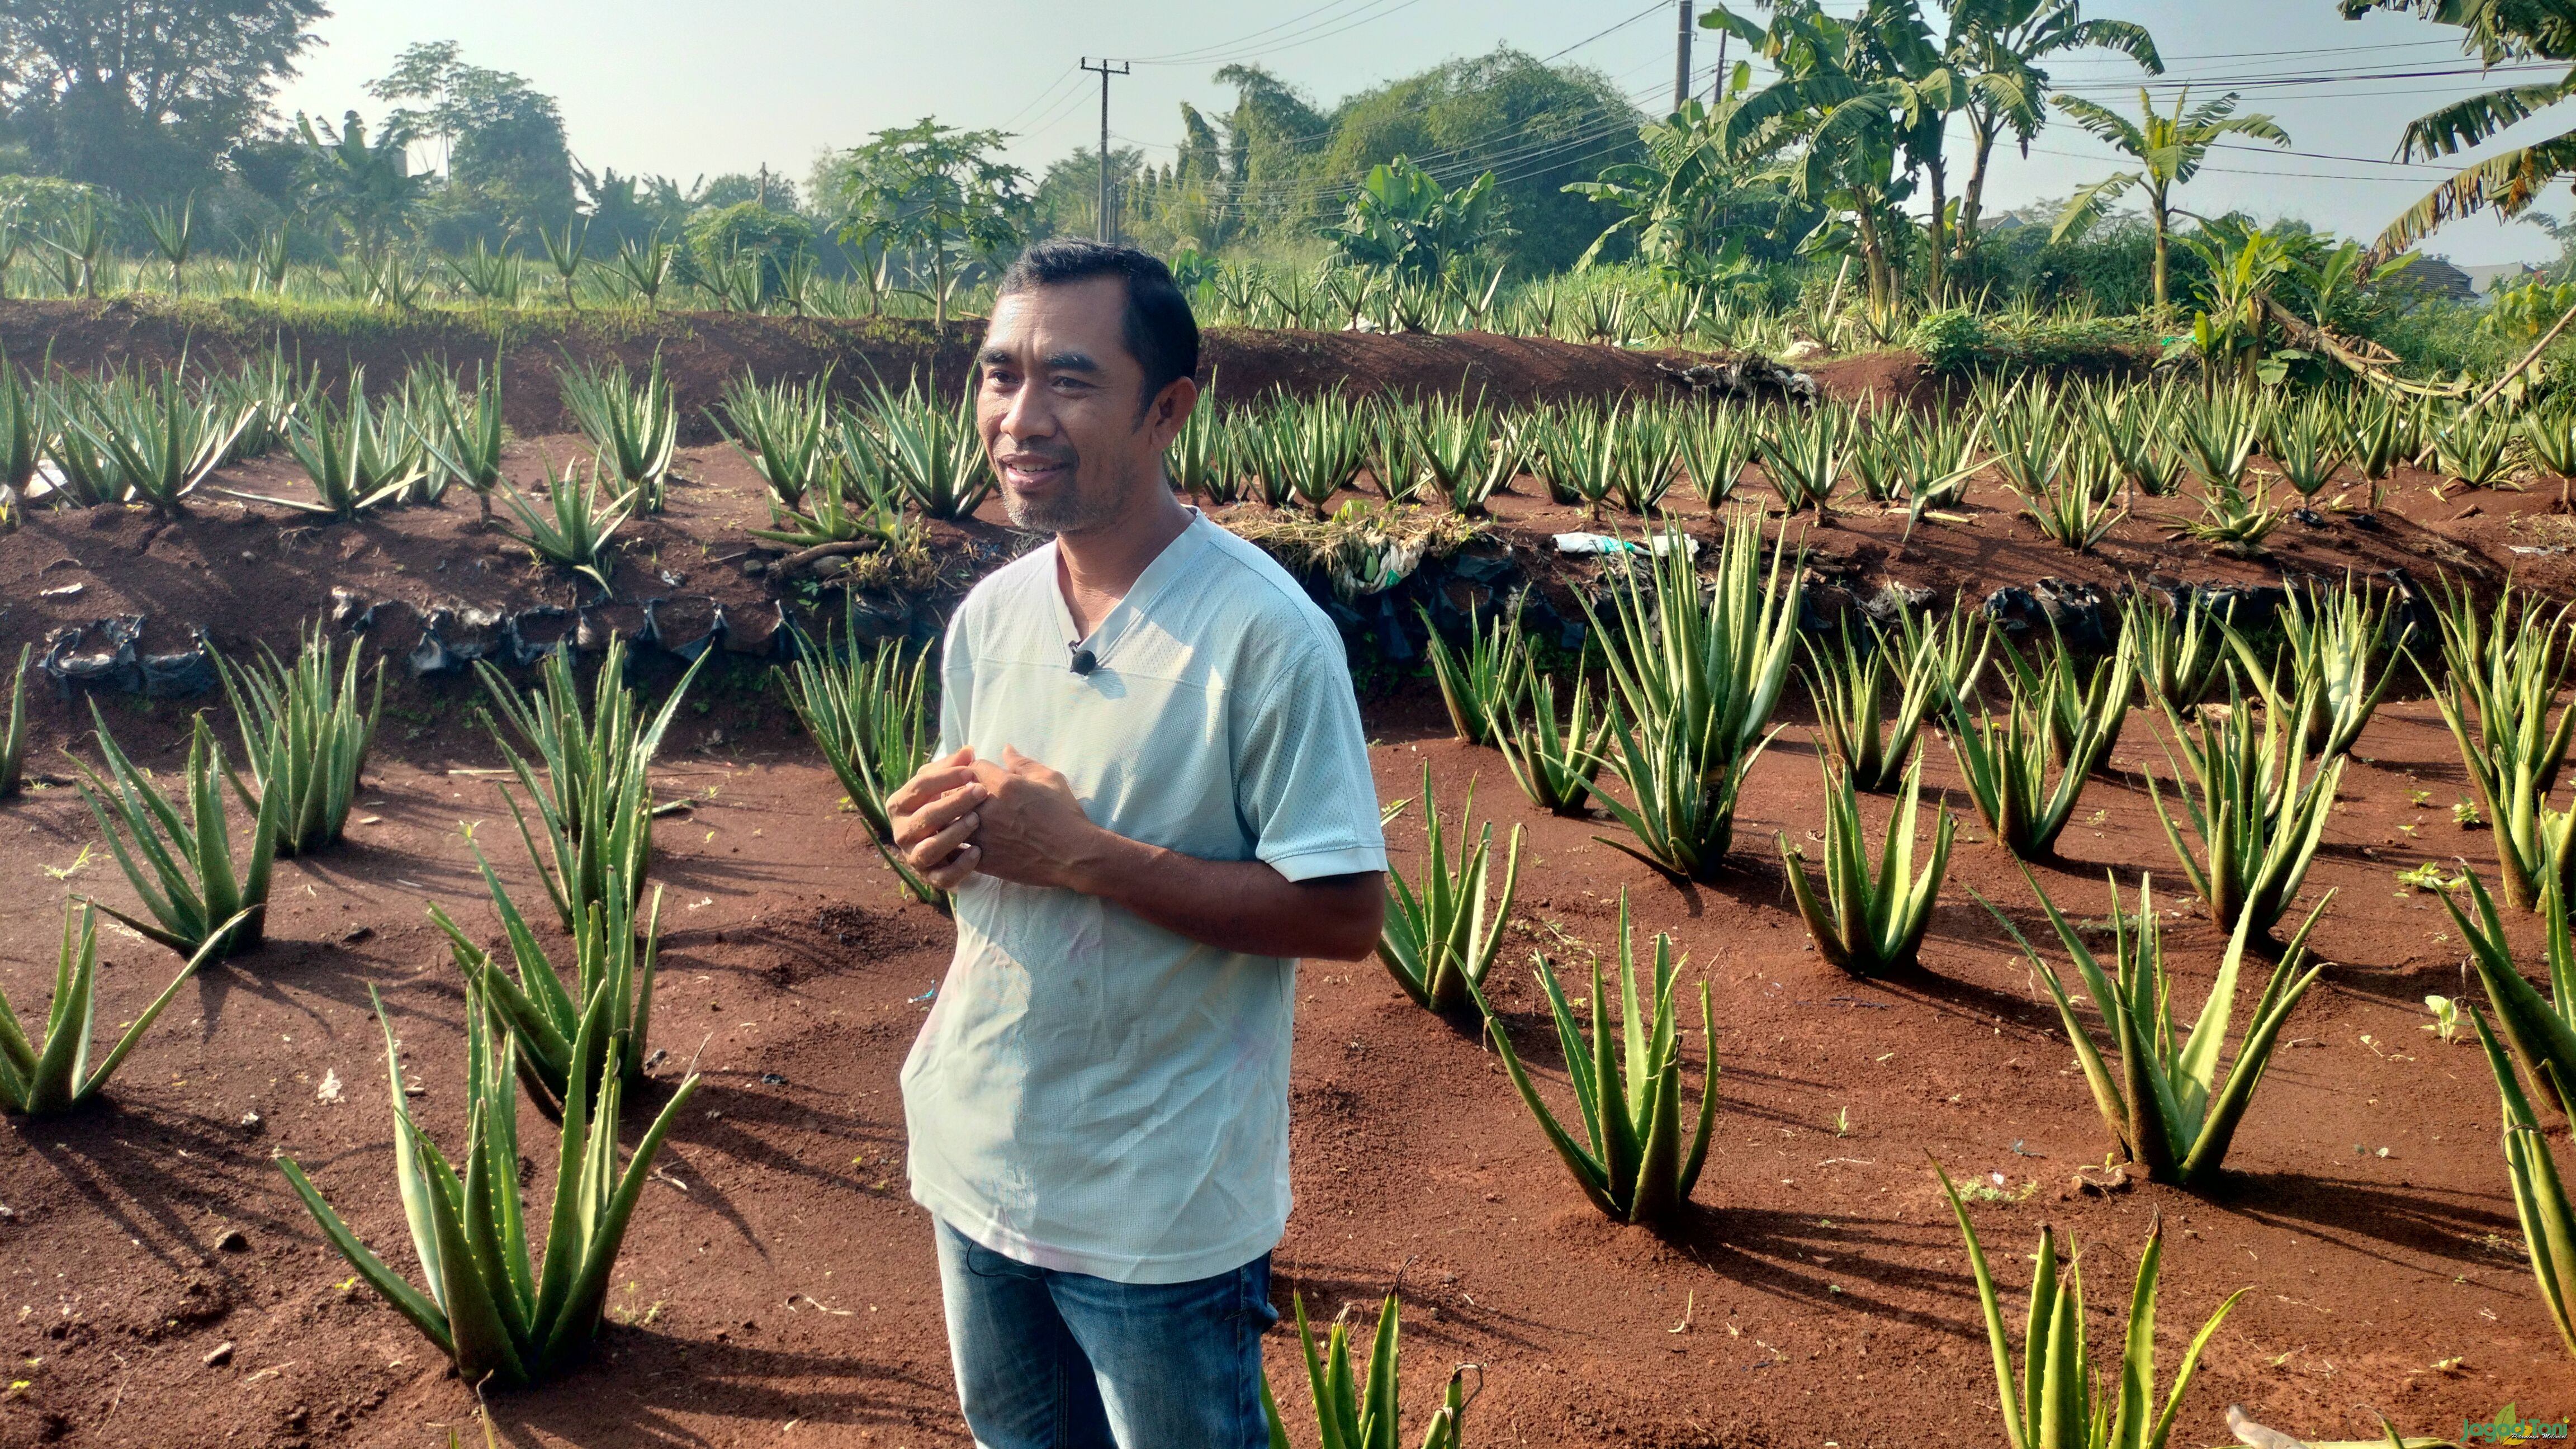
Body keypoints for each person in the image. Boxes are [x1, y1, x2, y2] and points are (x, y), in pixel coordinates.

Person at [886, 238, 1387, 1448]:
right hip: (978, 1160)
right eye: (999, 374)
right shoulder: (990, 619)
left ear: (1168, 408)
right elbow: (997, 877)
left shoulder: (1268, 634)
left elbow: (1344, 916)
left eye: (1068, 378)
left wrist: (1083, 854)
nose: (1019, 416)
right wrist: (949, 844)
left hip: (1158, 1213)